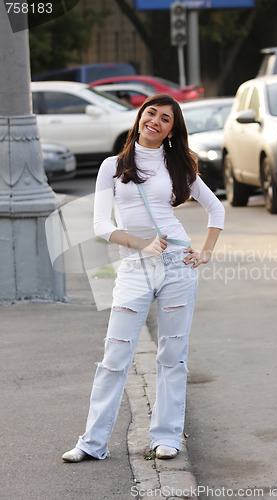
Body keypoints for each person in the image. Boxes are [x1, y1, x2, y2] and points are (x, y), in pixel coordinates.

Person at [62, 93, 225, 463]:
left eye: (166, 118)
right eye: (151, 113)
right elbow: (102, 225)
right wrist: (142, 244)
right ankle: (92, 442)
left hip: (177, 266)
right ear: (139, 118)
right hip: (134, 267)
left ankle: (167, 437)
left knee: (172, 355)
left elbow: (216, 209)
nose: (156, 120)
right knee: (115, 356)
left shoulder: (178, 165)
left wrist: (205, 251)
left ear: (171, 130)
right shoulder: (112, 166)